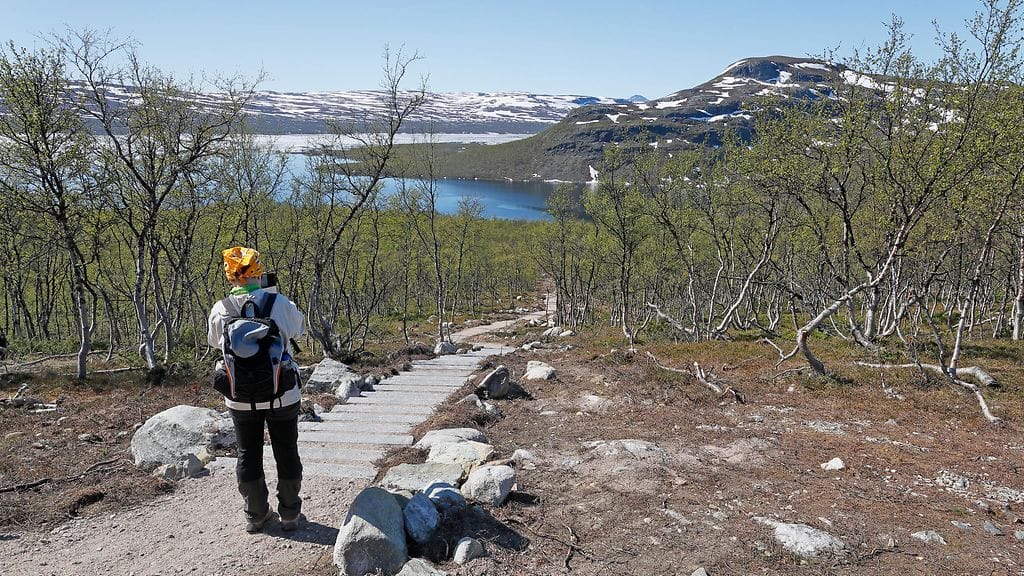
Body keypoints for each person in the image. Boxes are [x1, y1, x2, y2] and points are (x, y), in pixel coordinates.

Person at [207, 246, 305, 533]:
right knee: (286, 449)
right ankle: (289, 514)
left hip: (239, 397)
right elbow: (297, 331)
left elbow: (215, 342)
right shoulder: (281, 303)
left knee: (247, 451)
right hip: (283, 392)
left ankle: (255, 514)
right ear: (258, 271)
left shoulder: (220, 308)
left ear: (229, 276)